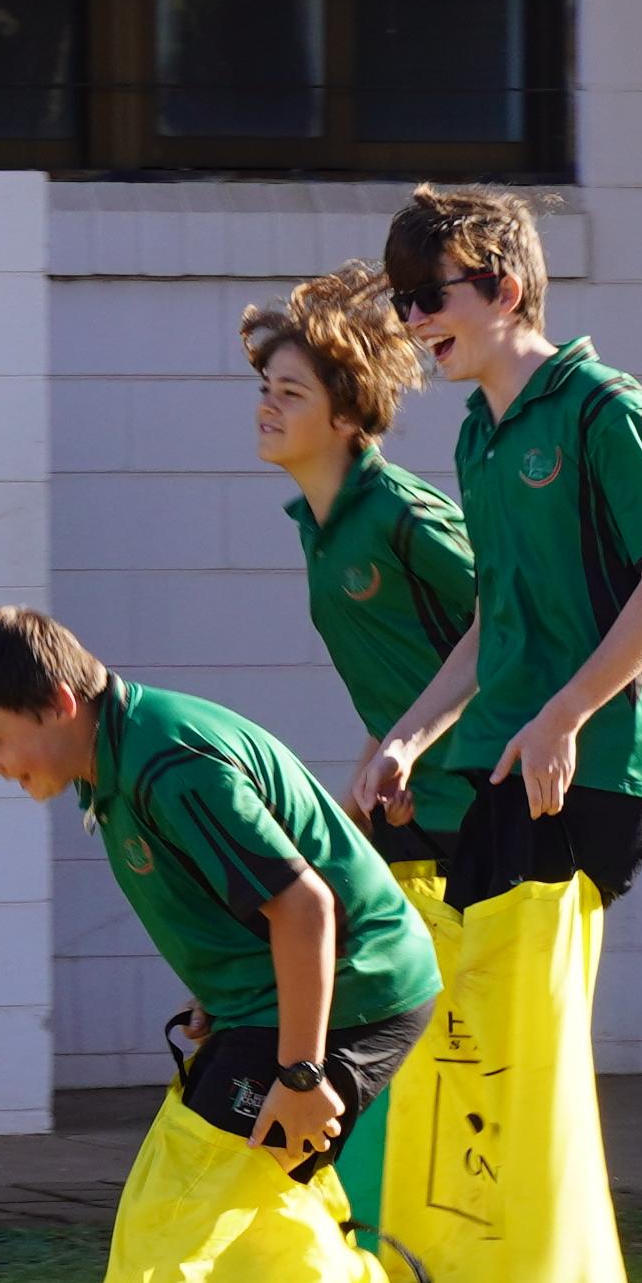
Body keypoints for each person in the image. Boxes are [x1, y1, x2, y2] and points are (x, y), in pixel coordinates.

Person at [0, 606, 441, 1283]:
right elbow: (234, 901)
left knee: (202, 1230)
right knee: (182, 1219)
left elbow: (307, 909)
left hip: (351, 1000)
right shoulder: (115, 764)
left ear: (57, 704)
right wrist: (220, 989)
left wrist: (299, 1076)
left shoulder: (171, 768)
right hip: (270, 1007)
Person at [359, 186, 642, 908]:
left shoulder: (605, 407)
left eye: (430, 296)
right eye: (403, 302)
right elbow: (495, 622)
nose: (413, 321)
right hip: (503, 754)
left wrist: (564, 716)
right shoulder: (475, 437)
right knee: (477, 978)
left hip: (591, 763)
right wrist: (406, 740)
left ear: (506, 290)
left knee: (516, 978)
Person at [248, 263, 481, 872]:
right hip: (412, 819)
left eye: (290, 393)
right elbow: (403, 682)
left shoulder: (402, 513)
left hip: (487, 818)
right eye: (266, 388)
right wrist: (350, 819)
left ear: (347, 416)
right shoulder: (320, 530)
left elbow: (515, 620)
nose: (267, 406)